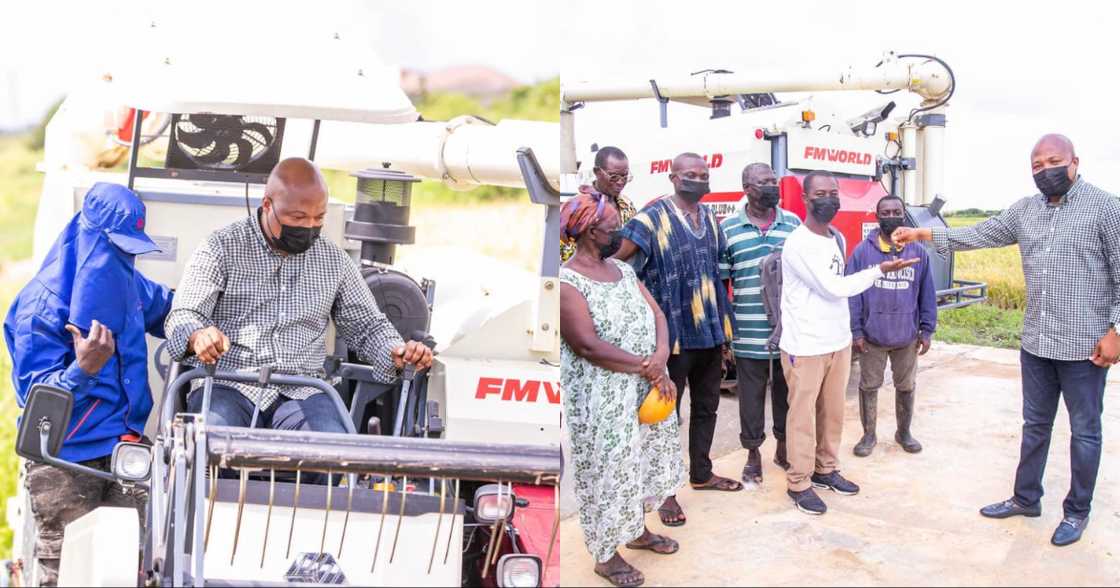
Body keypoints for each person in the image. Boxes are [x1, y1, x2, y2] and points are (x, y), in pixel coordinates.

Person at [892, 133, 1120, 546]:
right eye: (1036, 165)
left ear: (1074, 162)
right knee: (1035, 425)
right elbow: (979, 235)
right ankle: (1026, 497)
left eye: (1053, 161)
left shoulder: (1105, 208)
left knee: (1085, 431)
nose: (1045, 170)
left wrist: (1117, 330)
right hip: (1036, 342)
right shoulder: (1024, 211)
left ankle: (1076, 511)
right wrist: (922, 235)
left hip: (1085, 347)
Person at [164, 158, 433, 484]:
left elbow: (367, 326)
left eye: (318, 219)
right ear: (268, 205)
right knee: (202, 448)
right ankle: (204, 531)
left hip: (303, 390)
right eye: (297, 217)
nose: (308, 228)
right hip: (226, 383)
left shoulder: (333, 260)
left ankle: (317, 534)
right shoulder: (221, 247)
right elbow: (183, 315)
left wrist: (395, 351)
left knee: (333, 457)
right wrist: (198, 336)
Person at [4, 183, 175, 587]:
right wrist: (83, 370)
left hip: (125, 454)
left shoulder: (128, 285)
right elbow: (37, 404)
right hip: (65, 463)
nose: (123, 258)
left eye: (131, 250)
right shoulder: (40, 308)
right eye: (117, 247)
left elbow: (168, 310)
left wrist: (198, 325)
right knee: (66, 574)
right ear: (89, 235)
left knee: (132, 572)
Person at [560, 191, 685, 588]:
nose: (620, 233)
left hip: (644, 387)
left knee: (638, 465)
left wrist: (661, 354)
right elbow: (586, 345)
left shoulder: (623, 270)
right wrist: (649, 368)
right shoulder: (566, 282)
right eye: (613, 227)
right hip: (604, 398)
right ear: (588, 231)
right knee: (607, 471)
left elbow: (658, 314)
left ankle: (636, 531)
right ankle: (605, 554)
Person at [615, 152, 741, 528]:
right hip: (670, 339)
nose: (699, 180)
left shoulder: (712, 220)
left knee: (708, 408)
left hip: (709, 334)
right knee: (666, 417)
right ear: (673, 177)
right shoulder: (651, 218)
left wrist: (725, 333)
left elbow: (720, 276)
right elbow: (618, 267)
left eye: (704, 175)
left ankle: (701, 473)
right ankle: (667, 492)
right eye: (691, 174)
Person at [779, 171, 917, 516]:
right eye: (821, 193)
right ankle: (799, 483)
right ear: (806, 199)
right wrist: (879, 271)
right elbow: (834, 288)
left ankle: (826, 469)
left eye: (834, 192)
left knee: (833, 413)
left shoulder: (834, 238)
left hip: (836, 343)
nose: (829, 198)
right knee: (802, 417)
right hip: (806, 345)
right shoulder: (799, 243)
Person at [719, 162, 800, 485]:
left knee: (786, 394)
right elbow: (723, 282)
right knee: (750, 399)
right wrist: (726, 335)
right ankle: (753, 455)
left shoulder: (793, 224)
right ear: (747, 188)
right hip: (747, 333)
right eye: (764, 182)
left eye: (774, 181)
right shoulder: (728, 228)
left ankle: (782, 447)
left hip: (788, 333)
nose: (772, 187)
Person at [847, 195, 937, 457]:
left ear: (904, 213)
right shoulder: (863, 252)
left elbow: (927, 294)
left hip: (906, 337)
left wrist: (927, 329)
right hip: (872, 337)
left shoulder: (917, 251)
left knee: (906, 385)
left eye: (896, 211)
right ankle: (868, 435)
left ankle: (904, 432)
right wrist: (856, 331)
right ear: (877, 216)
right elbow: (852, 292)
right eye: (884, 212)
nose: (890, 216)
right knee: (868, 386)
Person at [560, 146, 637, 263]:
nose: (621, 182)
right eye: (614, 176)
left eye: (625, 176)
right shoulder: (578, 208)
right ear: (597, 172)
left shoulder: (626, 205)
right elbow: (564, 254)